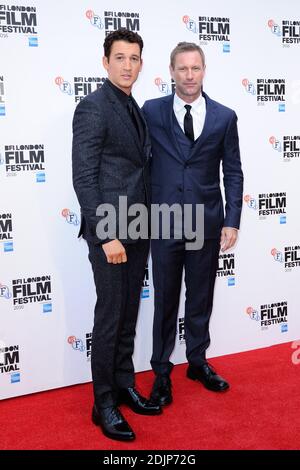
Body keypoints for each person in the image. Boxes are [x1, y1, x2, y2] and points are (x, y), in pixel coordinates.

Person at [142, 42, 243, 406]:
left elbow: (232, 171)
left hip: (207, 221)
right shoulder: (151, 111)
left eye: (195, 68)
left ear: (204, 70)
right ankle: (161, 373)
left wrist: (232, 220)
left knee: (201, 297)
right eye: (182, 68)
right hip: (164, 221)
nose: (188, 75)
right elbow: (138, 162)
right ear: (171, 71)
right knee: (165, 300)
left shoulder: (224, 116)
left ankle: (197, 361)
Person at [72, 28, 161, 442]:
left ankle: (124, 384)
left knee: (128, 312)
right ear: (105, 62)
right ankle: (102, 402)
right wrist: (106, 234)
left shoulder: (133, 107)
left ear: (142, 64)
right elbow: (85, 176)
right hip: (110, 233)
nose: (128, 65)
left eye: (135, 58)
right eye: (120, 57)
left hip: (138, 227)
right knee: (110, 316)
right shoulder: (93, 107)